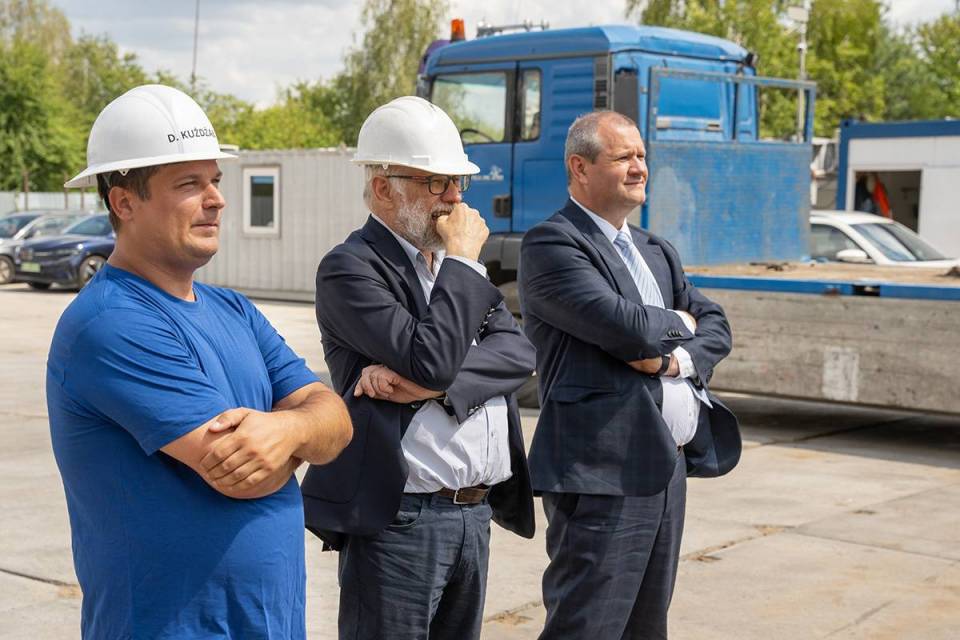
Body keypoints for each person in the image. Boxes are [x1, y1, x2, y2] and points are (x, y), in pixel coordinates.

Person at [47, 84, 352, 639]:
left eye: (215, 180)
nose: (216, 199)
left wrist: (287, 430)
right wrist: (302, 433)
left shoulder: (233, 308)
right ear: (124, 203)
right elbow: (244, 475)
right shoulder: (110, 322)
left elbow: (336, 420)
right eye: (189, 184)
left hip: (270, 622)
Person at [300, 96, 536, 640]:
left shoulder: (453, 269)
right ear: (384, 188)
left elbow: (519, 354)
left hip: (474, 513)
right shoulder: (351, 269)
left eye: (458, 182)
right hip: (401, 521)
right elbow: (432, 360)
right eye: (436, 183)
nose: (454, 198)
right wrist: (464, 264)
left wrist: (432, 390)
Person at [518, 110, 741, 639]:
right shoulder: (553, 244)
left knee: (646, 627)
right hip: (601, 474)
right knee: (588, 627)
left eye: (642, 155)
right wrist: (678, 322)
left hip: (666, 470)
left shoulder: (655, 250)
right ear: (580, 167)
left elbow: (717, 326)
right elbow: (629, 328)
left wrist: (675, 360)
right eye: (623, 157)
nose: (640, 167)